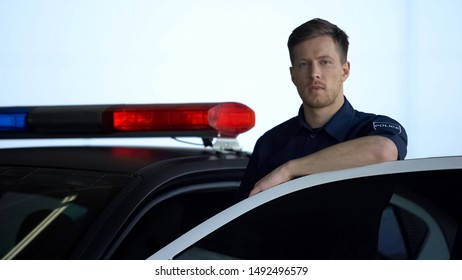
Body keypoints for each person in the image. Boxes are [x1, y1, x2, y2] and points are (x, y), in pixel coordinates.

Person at [239, 18, 408, 199]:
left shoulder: (372, 128)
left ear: (345, 71)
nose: (314, 74)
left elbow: (383, 152)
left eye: (325, 62)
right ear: (293, 75)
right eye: (303, 64)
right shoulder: (270, 144)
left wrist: (289, 170)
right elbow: (239, 221)